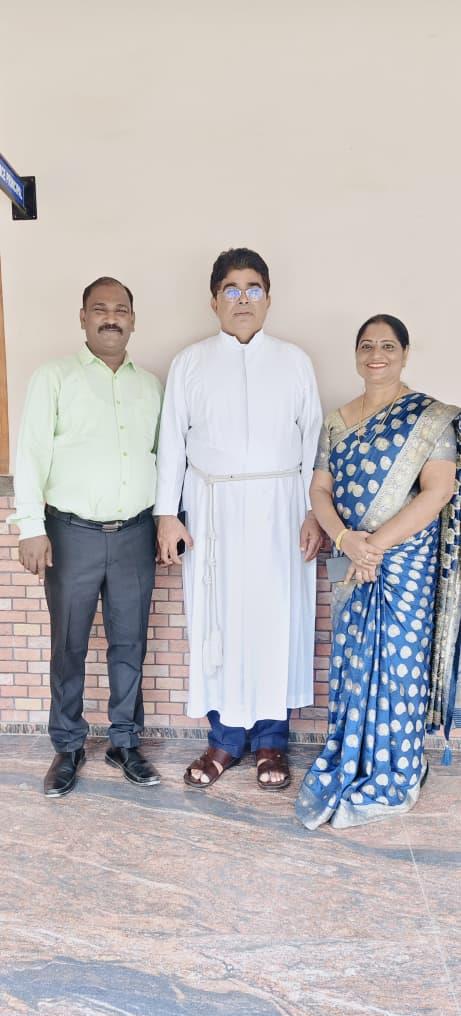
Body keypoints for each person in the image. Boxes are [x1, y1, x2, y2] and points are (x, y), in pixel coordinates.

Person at [154, 248, 323, 789]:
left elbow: (313, 443)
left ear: (268, 299)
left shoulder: (294, 361)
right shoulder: (190, 362)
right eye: (231, 289)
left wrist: (314, 513)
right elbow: (171, 442)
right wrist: (167, 514)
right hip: (213, 514)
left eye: (253, 289)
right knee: (218, 622)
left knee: (276, 622)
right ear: (214, 301)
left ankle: (272, 741)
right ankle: (224, 742)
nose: (242, 299)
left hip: (281, 512)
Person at [295, 314, 460, 829]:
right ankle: (354, 759)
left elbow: (439, 490)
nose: (376, 355)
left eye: (388, 346)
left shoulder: (430, 417)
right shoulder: (337, 421)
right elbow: (319, 489)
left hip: (405, 563)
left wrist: (374, 547)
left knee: (398, 666)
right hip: (352, 561)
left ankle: (399, 772)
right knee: (353, 663)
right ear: (356, 355)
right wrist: (347, 540)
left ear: (405, 354)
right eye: (366, 346)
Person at [10, 277, 163, 796]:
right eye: (100, 309)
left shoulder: (151, 387)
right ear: (82, 318)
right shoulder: (54, 377)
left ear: (133, 320)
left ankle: (124, 742)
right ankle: (68, 746)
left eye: (121, 309)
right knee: (69, 644)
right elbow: (30, 454)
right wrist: (31, 527)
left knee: (130, 642)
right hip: (70, 533)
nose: (111, 318)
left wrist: (166, 520)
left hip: (136, 533)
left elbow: (163, 458)